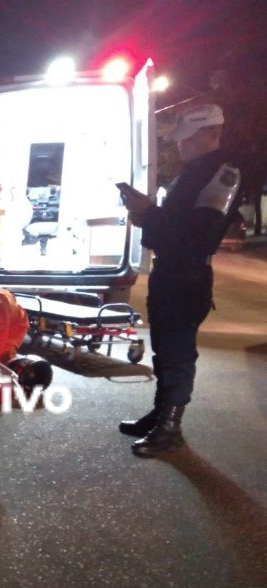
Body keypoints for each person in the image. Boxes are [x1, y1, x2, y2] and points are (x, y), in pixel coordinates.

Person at [119, 103, 241, 457]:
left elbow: (200, 236)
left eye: (187, 137)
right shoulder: (194, 171)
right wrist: (147, 215)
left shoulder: (222, 172)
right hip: (171, 272)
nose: (180, 143)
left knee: (178, 352)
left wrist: (149, 214)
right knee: (164, 347)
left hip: (187, 276)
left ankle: (170, 429)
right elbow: (176, 227)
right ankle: (160, 415)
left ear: (211, 133)